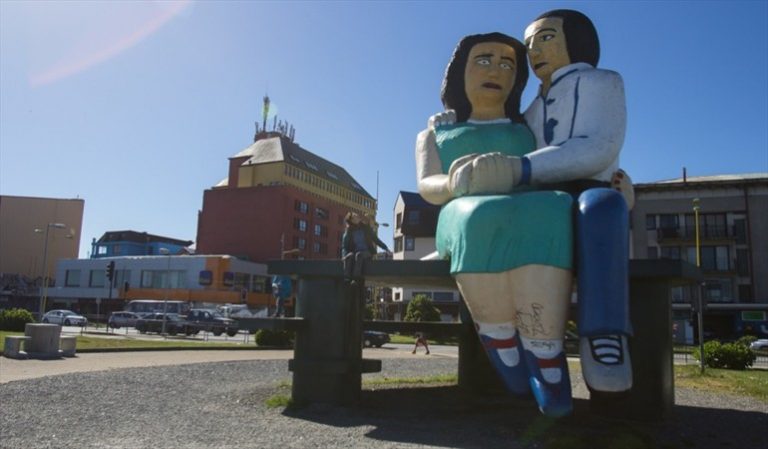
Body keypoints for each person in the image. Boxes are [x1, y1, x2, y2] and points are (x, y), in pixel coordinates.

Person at [416, 32, 574, 417]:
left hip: (523, 208)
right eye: (483, 59)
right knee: (479, 216)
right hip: (462, 210)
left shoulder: (528, 128)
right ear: (460, 72)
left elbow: (550, 168)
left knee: (554, 208)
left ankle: (545, 346)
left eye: (508, 63)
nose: (496, 70)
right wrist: (455, 182)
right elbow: (427, 186)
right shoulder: (435, 133)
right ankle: (498, 332)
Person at [520, 10, 632, 393]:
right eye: (529, 44)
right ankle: (526, 338)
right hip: (540, 197)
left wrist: (519, 168)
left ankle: (604, 333)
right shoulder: (532, 108)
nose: (534, 50)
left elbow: (597, 146)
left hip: (589, 189)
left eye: (545, 37)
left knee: (602, 208)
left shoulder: (601, 82)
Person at [341, 211, 390, 281]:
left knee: (359, 255)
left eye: (357, 215)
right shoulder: (348, 232)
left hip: (367, 252)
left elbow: (375, 239)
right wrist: (344, 256)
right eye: (355, 216)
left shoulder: (366, 228)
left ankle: (355, 278)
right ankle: (346, 278)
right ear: (351, 220)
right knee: (350, 256)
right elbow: (344, 246)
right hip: (355, 253)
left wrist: (385, 248)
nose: (357, 217)